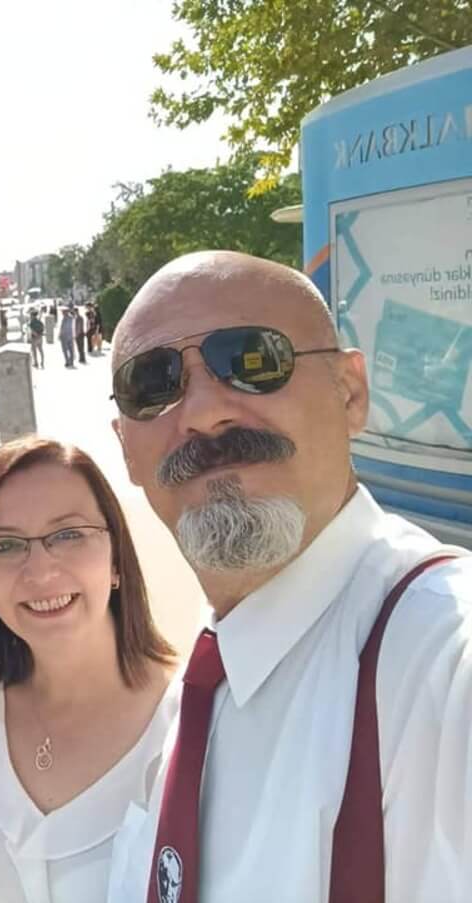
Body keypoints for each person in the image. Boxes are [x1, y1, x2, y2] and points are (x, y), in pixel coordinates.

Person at [105, 250, 472, 903]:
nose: (203, 413)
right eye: (153, 383)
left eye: (253, 360)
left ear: (350, 392)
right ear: (126, 449)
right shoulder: (199, 672)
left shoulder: (440, 652)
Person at [0, 437, 177, 902]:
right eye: (4, 546)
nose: (39, 571)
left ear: (116, 558)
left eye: (68, 534)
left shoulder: (192, 725)